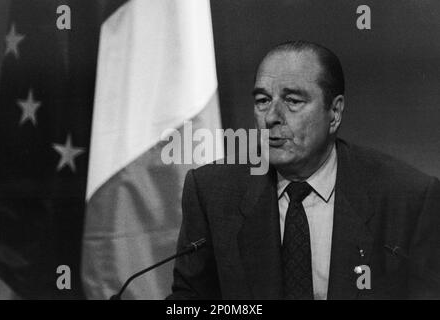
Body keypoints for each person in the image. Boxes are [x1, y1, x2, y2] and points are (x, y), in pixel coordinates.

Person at [167, 40, 440, 299]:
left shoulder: (407, 197)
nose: (271, 117)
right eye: (263, 100)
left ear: (334, 113)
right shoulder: (212, 192)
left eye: (293, 101)